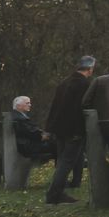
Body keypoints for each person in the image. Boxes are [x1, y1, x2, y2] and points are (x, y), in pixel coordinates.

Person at [44, 55, 95, 204]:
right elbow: (84, 107)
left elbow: (54, 107)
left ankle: (56, 192)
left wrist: (49, 128)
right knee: (67, 162)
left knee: (62, 161)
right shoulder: (84, 84)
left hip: (59, 128)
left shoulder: (64, 83)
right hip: (74, 129)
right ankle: (54, 194)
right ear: (90, 69)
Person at [11, 96, 56, 161]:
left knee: (56, 143)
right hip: (28, 146)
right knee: (58, 145)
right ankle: (60, 169)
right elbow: (33, 133)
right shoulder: (20, 118)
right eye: (27, 103)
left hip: (26, 144)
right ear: (18, 105)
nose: (30, 105)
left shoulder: (17, 116)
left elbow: (32, 131)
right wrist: (46, 135)